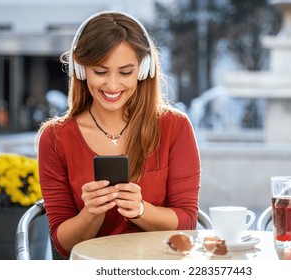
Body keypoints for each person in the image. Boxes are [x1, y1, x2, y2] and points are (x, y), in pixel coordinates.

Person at [36, 11, 201, 258]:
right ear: (81, 70)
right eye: (100, 72)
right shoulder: (55, 138)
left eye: (125, 72)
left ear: (143, 70)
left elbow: (188, 223)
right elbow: (62, 244)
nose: (112, 86)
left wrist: (141, 210)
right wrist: (90, 213)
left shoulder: (175, 127)